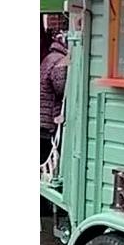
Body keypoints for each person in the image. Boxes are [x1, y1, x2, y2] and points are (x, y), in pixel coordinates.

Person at [40, 33, 68, 164]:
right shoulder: (60, 60)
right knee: (45, 155)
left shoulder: (50, 57)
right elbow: (61, 88)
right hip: (48, 118)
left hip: (42, 115)